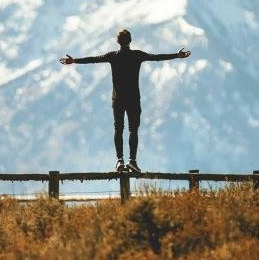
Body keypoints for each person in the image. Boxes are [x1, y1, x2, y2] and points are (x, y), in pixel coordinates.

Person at [59, 28, 191, 173]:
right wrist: (176, 55)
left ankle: (119, 161)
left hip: (118, 99)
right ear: (130, 41)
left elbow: (93, 59)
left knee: (118, 129)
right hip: (133, 99)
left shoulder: (113, 56)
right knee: (133, 130)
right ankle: (132, 161)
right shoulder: (137, 55)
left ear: (117, 41)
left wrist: (74, 60)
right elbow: (156, 57)